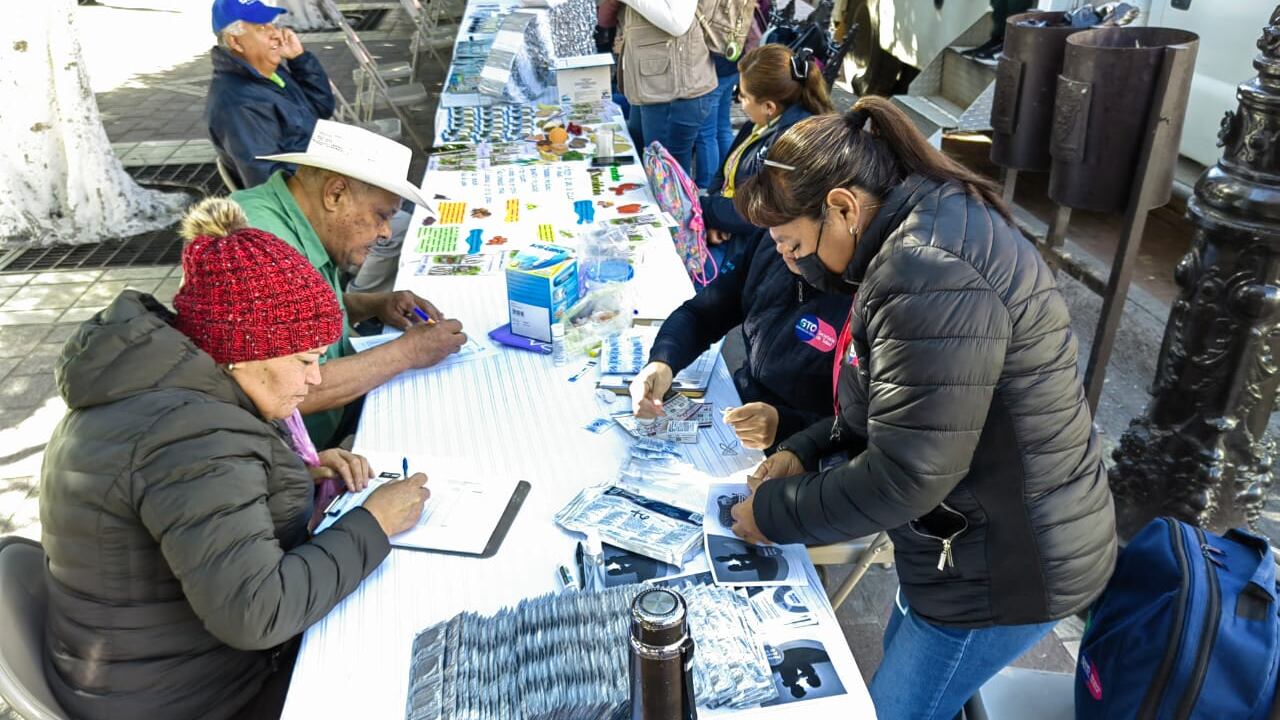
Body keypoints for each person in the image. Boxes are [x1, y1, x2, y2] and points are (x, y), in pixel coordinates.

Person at [727, 97, 1117, 719]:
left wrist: (772, 514)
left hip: (1005, 568)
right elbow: (894, 404)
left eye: (792, 243)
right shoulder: (909, 232)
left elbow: (909, 473)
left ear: (843, 208)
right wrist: (805, 448)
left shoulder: (926, 272)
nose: (788, 260)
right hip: (961, 543)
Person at [40, 199, 432, 720]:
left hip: (152, 668)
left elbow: (197, 503)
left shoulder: (168, 391)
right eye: (304, 360)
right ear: (243, 354)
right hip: (188, 699)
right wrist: (373, 523)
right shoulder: (191, 438)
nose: (315, 378)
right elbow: (257, 613)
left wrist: (287, 472)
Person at [630, 46, 844, 453]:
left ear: (835, 216)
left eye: (790, 240)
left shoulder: (869, 298)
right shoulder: (771, 242)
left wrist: (787, 428)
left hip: (806, 459)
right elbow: (705, 310)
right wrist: (663, 360)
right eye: (769, 232)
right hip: (748, 414)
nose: (778, 248)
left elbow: (871, 433)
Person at [231, 119, 467, 449]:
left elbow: (306, 316)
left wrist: (373, 304)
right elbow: (290, 389)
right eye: (381, 215)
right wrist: (408, 352)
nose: (386, 231)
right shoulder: (262, 252)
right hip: (299, 452)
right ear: (336, 194)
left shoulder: (289, 218)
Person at [702, 44, 835, 271]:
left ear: (769, 106)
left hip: (755, 251)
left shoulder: (791, 146)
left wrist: (704, 210)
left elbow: (759, 212)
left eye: (742, 96)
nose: (739, 102)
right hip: (732, 229)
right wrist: (715, 219)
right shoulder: (759, 125)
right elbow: (724, 172)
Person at [206, 0, 335, 189]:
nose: (275, 33)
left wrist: (299, 59)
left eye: (272, 24)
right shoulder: (239, 104)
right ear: (236, 42)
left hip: (323, 172)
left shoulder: (268, 73)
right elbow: (268, 184)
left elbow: (321, 108)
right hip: (311, 196)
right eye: (261, 28)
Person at [617, 0, 717, 177]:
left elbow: (678, 22)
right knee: (654, 169)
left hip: (671, 92)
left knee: (669, 180)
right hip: (654, 87)